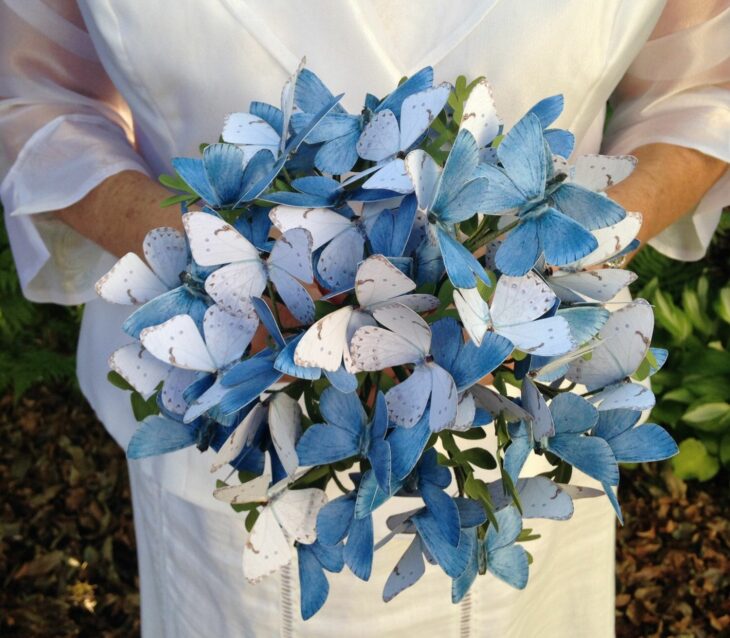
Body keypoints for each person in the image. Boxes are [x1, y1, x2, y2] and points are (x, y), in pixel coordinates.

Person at [1, 1, 727, 636]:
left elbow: (700, 91)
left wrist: (575, 248)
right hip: (227, 414)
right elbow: (32, 96)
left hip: (523, 417)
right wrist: (213, 269)